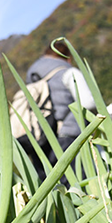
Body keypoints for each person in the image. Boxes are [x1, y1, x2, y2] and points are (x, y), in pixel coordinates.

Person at [23, 39, 97, 178]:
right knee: (80, 188)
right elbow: (88, 103)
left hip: (40, 141)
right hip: (68, 136)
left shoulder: (33, 77)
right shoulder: (68, 72)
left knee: (55, 192)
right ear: (67, 58)